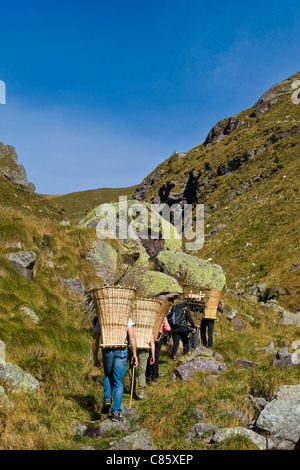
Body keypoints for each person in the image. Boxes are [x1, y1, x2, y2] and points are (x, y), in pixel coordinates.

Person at [93, 316, 138, 422]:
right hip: (121, 349)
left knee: (108, 375)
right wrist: (134, 354)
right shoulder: (126, 318)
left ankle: (107, 398)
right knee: (118, 381)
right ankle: (116, 412)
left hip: (107, 349)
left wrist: (95, 357)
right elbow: (131, 337)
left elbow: (96, 339)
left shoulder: (102, 316)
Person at [129, 333, 155, 399]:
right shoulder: (148, 326)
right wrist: (153, 355)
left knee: (132, 367)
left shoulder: (131, 324)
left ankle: (132, 389)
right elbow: (151, 341)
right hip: (144, 347)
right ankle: (141, 391)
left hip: (132, 346)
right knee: (142, 370)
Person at [146, 316, 171, 383]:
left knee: (148, 356)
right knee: (155, 357)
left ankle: (147, 375)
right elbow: (167, 328)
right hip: (158, 336)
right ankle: (154, 378)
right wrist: (164, 331)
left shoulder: (150, 314)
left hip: (148, 335)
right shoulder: (162, 316)